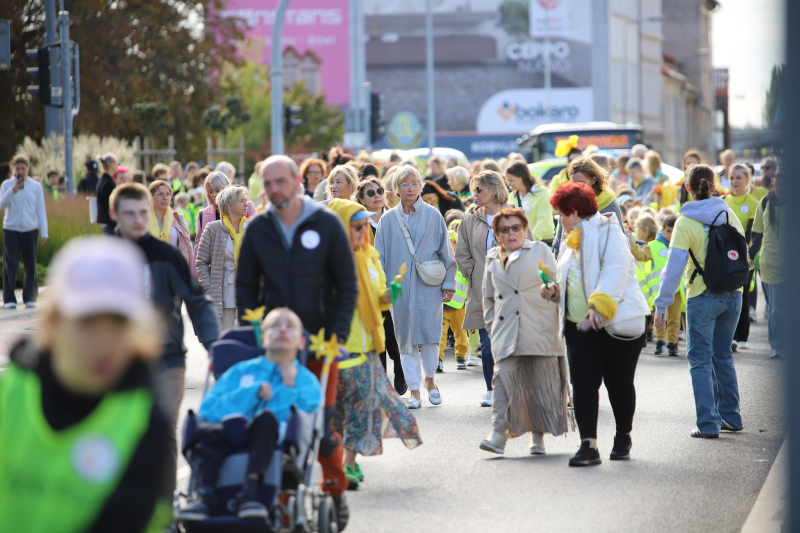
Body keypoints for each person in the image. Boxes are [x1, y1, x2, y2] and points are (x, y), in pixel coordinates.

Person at [0, 236, 172, 532]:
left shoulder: (146, 424)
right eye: (88, 322)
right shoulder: (9, 392)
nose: (105, 343)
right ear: (54, 321)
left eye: (118, 323)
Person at [236, 155, 357, 528]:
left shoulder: (325, 224)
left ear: (296, 181)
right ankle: (285, 498)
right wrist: (256, 333)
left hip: (321, 343)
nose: (273, 190)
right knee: (276, 418)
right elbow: (245, 287)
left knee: (320, 425)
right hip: (277, 346)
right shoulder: (258, 229)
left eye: (280, 182)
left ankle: (334, 491)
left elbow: (346, 285)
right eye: (267, 184)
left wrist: (336, 334)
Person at [109, 182, 219, 494]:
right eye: (129, 214)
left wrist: (213, 343)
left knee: (163, 430)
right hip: (118, 361)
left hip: (167, 358)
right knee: (122, 431)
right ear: (114, 213)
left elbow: (197, 301)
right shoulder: (104, 256)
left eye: (143, 212)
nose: (138, 219)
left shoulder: (167, 256)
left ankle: (164, 505)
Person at [178, 308, 322, 522]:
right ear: (263, 339)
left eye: (290, 326)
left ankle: (251, 490)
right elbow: (209, 409)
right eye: (275, 325)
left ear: (301, 343)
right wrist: (251, 392)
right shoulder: (240, 371)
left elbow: (293, 422)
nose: (282, 328)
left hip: (272, 443)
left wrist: (287, 387)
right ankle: (206, 497)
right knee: (208, 429)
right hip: (228, 435)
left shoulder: (306, 380)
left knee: (267, 420)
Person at [544, 182, 649, 466]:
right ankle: (588, 445)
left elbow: (616, 270)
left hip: (615, 321)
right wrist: (555, 290)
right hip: (580, 326)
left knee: (619, 383)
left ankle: (623, 436)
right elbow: (569, 277)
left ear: (575, 211)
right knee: (584, 383)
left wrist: (598, 306)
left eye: (562, 214)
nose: (559, 220)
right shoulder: (570, 239)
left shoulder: (610, 231)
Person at [328, 199, 421, 490]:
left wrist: (389, 293)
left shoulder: (370, 256)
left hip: (367, 347)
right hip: (337, 348)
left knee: (362, 408)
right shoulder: (328, 262)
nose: (362, 231)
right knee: (337, 412)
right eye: (355, 226)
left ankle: (349, 464)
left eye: (364, 225)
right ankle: (339, 462)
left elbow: (381, 298)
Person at [654, 164, 745, 437]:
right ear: (715, 187)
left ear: (687, 188)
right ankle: (731, 416)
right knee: (723, 356)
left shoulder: (684, 222)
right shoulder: (728, 213)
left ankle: (707, 424)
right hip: (734, 294)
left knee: (700, 361)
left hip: (702, 295)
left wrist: (662, 304)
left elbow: (673, 269)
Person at [479, 207, 570, 456]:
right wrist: (492, 327)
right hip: (505, 331)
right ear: (497, 234)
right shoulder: (491, 258)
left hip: (539, 328)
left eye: (516, 228)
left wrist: (552, 290)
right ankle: (498, 435)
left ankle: (538, 438)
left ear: (525, 229)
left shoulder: (539, 249)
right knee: (502, 381)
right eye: (504, 229)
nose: (511, 233)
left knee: (539, 385)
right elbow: (487, 299)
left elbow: (557, 282)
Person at [375, 165, 457, 410]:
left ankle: (430, 381)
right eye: (404, 184)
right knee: (405, 340)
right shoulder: (388, 219)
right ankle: (414, 391)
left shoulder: (433, 215)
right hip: (398, 287)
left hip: (428, 284)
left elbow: (447, 253)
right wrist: (382, 287)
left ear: (421, 185)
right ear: (395, 189)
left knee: (430, 336)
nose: (410, 188)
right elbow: (378, 256)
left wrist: (449, 283)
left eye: (415, 183)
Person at [456, 170, 527, 407]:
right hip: (482, 289)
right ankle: (491, 389)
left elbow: (528, 247)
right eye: (474, 189)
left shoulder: (515, 215)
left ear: (494, 190)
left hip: (512, 288)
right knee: (487, 344)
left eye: (479, 189)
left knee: (511, 342)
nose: (474, 194)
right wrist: (472, 275)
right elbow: (462, 253)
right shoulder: (470, 218)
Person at [355, 178, 406, 393]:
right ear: (361, 200)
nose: (377, 195)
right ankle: (382, 382)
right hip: (371, 287)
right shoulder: (359, 223)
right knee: (380, 334)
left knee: (395, 335)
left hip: (395, 284)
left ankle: (401, 370)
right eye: (370, 193)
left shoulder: (395, 217)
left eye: (380, 190)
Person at [195, 185, 249, 331]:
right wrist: (209, 286)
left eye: (246, 200)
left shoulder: (252, 228)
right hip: (224, 291)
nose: (246, 204)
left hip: (248, 290)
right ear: (229, 205)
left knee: (249, 337)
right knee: (225, 336)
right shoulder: (213, 229)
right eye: (242, 201)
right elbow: (201, 262)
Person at [629, 215, 682, 357]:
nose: (671, 235)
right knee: (660, 317)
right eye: (668, 231)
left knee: (674, 319)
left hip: (676, 289)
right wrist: (632, 244)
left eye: (674, 231)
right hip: (659, 289)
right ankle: (660, 342)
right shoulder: (653, 246)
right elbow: (641, 256)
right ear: (662, 230)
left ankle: (672, 343)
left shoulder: (681, 244)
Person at [1, 155, 48, 309]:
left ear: (28, 169)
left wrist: (44, 231)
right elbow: (1, 205)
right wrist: (12, 191)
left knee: (30, 264)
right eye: (17, 168)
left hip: (30, 229)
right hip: (11, 229)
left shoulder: (35, 186)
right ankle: (9, 299)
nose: (20, 171)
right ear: (13, 169)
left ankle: (30, 296)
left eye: (23, 168)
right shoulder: (7, 185)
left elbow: (40, 209)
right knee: (11, 263)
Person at [553, 157, 623, 259]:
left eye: (582, 183)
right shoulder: (569, 202)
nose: (577, 188)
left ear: (593, 180)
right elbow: (560, 240)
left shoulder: (608, 201)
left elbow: (620, 241)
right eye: (574, 183)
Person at [192, 171, 257, 278]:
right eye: (210, 191)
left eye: (217, 191)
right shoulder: (203, 214)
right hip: (217, 272)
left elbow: (257, 236)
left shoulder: (247, 206)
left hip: (245, 268)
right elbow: (199, 246)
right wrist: (195, 276)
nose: (213, 195)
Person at [749, 168, 785, 359]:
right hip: (770, 263)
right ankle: (777, 346)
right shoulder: (764, 202)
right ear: (772, 181)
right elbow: (757, 233)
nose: (781, 180)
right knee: (776, 310)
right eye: (778, 177)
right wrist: (751, 255)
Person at [723, 163, 758, 352]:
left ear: (747, 179)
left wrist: (747, 254)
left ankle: (743, 336)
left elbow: (752, 232)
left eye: (738, 177)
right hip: (726, 255)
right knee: (728, 294)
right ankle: (731, 336)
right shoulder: (723, 200)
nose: (735, 181)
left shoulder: (753, 203)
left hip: (744, 256)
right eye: (732, 177)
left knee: (743, 295)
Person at [439, 230, 469, 370]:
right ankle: (438, 359)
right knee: (440, 334)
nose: (450, 245)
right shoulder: (440, 261)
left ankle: (461, 356)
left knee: (461, 334)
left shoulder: (461, 262)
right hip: (442, 305)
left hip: (459, 306)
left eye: (452, 242)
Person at [505, 161, 555, 243]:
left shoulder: (542, 192)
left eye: (511, 180)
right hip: (521, 244)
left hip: (543, 243)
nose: (509, 184)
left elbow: (543, 221)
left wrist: (531, 241)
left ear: (522, 177)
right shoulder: (512, 196)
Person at [148, 180, 193, 267]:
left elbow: (188, 247)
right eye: (160, 194)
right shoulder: (143, 219)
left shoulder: (177, 217)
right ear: (150, 196)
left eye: (168, 194)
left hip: (174, 268)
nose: (165, 197)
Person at [96, 153, 118, 235]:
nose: (117, 167)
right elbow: (110, 205)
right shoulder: (108, 183)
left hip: (105, 222)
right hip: (109, 224)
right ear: (112, 165)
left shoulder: (102, 179)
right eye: (116, 164)